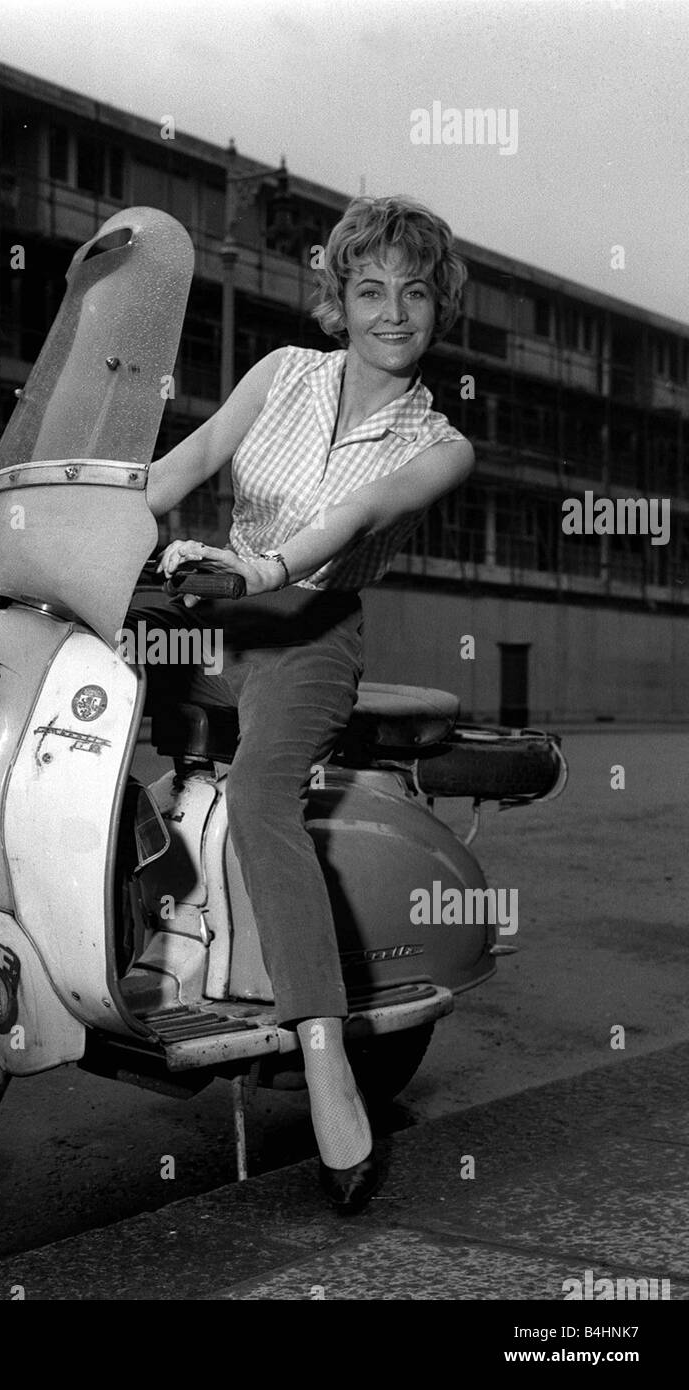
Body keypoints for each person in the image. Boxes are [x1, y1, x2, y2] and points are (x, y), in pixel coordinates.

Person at [135, 195, 474, 1214]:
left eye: (413, 292)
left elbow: (358, 514)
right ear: (339, 296)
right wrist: (61, 503)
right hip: (210, 601)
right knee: (87, 753)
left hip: (309, 627)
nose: (389, 311)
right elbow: (183, 466)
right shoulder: (281, 373)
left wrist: (260, 569)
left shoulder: (440, 443)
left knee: (256, 797)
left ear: (436, 308)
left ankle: (321, 1053)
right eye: (368, 288)